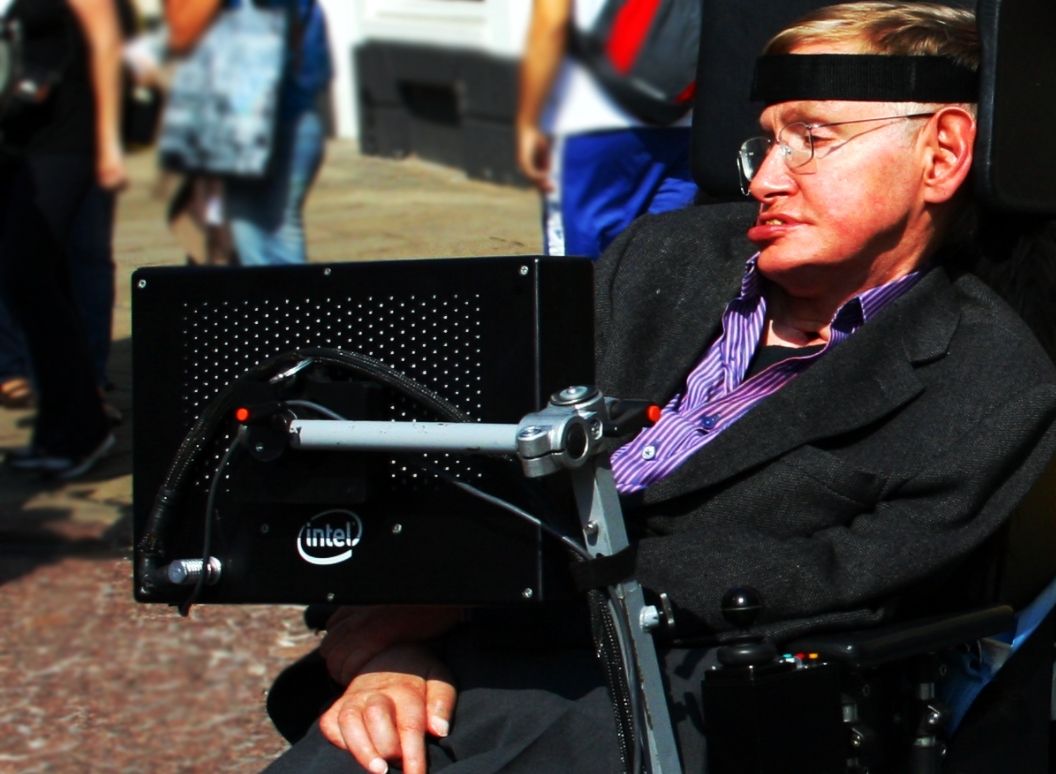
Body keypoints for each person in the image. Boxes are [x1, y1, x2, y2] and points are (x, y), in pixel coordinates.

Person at [265, 3, 1056, 772]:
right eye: (764, 144)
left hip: (672, 691)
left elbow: (818, 582)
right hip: (452, 659)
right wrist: (392, 644)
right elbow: (467, 443)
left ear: (942, 155)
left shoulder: (989, 380)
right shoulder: (663, 257)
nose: (765, 179)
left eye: (812, 139)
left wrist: (466, 602)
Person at [0, 0, 126, 478]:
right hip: (21, 139)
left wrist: (109, 142)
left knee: (30, 275)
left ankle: (83, 428)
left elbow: (106, 43)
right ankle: (61, 429)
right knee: (33, 283)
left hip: (67, 139)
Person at [516, 0, 699, 259]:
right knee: (658, 265)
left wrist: (528, 122)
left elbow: (551, 24)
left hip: (591, 124)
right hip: (685, 124)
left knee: (576, 272)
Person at [165, 0, 333, 266]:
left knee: (264, 254)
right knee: (274, 243)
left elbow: (182, 30)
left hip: (258, 124)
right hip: (297, 116)